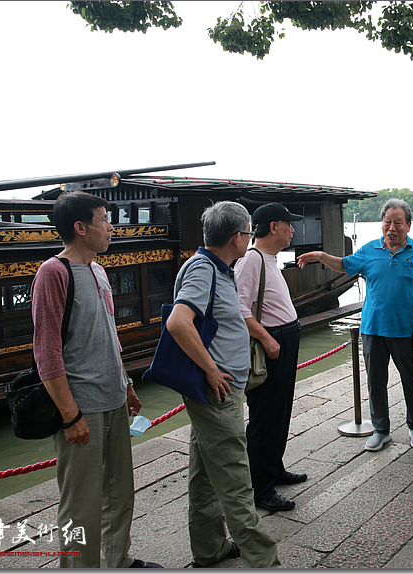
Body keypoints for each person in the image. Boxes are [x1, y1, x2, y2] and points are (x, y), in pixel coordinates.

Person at [32, 191, 160, 568]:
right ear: (80, 227)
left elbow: (107, 334)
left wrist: (128, 384)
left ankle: (117, 559)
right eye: (104, 219)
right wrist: (70, 416)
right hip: (81, 405)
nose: (110, 227)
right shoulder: (53, 273)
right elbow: (47, 350)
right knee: (80, 503)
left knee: (120, 492)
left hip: (114, 397)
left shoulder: (99, 271)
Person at [166, 201, 279, 568]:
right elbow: (178, 323)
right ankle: (264, 558)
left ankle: (209, 547)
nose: (250, 236)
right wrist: (213, 370)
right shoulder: (203, 270)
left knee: (203, 476)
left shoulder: (219, 267)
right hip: (218, 392)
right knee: (234, 476)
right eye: (248, 231)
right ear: (236, 237)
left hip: (215, 391)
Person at [297, 198, 413, 452]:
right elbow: (344, 265)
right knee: (375, 381)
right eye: (387, 222)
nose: (392, 228)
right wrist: (321, 256)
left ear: (409, 225)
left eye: (398, 223)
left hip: (405, 329)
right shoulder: (369, 250)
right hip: (372, 328)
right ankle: (381, 430)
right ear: (382, 224)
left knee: (411, 379)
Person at [234, 203, 306, 513]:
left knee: (280, 411)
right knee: (265, 416)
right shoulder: (250, 260)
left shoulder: (269, 259)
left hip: (284, 339)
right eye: (288, 224)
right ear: (273, 227)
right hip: (272, 343)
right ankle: (260, 487)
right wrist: (265, 338)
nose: (293, 230)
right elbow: (239, 307)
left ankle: (274, 467)